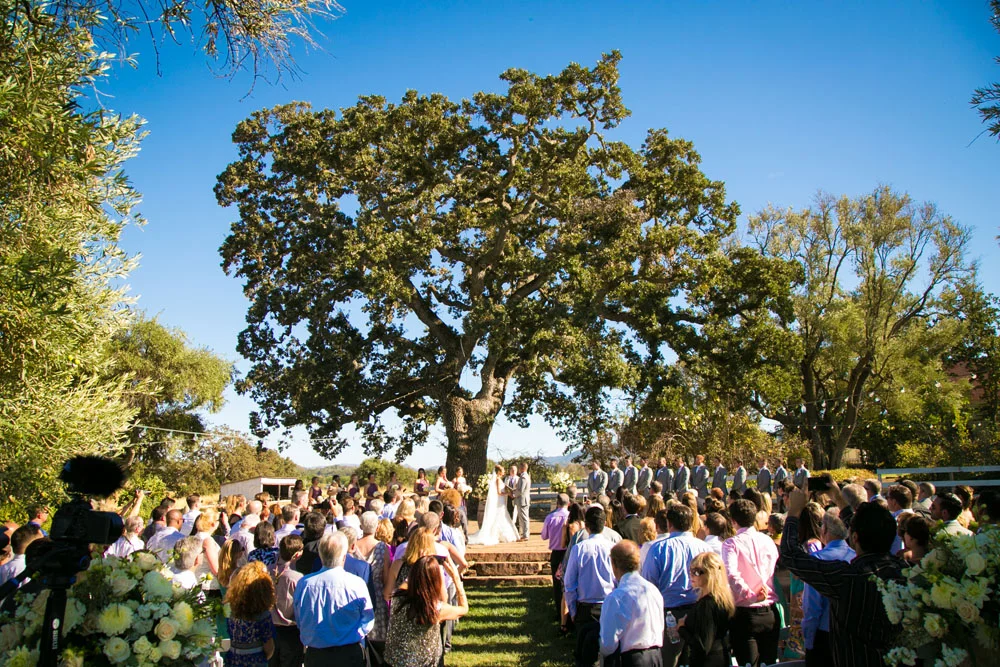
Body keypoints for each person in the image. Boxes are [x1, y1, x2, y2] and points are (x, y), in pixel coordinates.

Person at [781, 485, 904, 667]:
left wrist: (793, 513)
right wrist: (839, 498)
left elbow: (791, 556)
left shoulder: (846, 576)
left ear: (854, 538)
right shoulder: (904, 570)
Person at [640, 505, 712, 667]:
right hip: (698, 610)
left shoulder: (659, 549)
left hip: (670, 613)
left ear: (669, 523)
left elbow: (648, 585)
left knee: (669, 660)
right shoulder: (704, 547)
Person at [294, 532, 374, 666]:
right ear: (344, 557)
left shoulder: (305, 584)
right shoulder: (356, 584)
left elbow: (299, 618)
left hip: (320, 654)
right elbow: (368, 620)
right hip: (345, 652)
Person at [720, 499, 779, 667]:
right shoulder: (768, 541)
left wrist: (751, 595)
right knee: (769, 663)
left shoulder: (731, 543)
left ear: (733, 521)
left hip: (746, 612)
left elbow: (731, 574)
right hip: (769, 611)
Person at [384, 555, 469, 667]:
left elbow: (406, 584)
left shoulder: (397, 598)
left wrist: (419, 568)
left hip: (393, 662)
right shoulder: (436, 608)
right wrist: (456, 578)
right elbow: (464, 609)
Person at [564, 506, 616, 667]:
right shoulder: (612, 547)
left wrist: (572, 609)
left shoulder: (580, 548)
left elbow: (569, 582)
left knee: (587, 654)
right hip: (608, 604)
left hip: (587, 607)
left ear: (586, 526)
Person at [801, 512, 854, 667]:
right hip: (850, 634)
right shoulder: (855, 556)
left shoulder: (818, 559)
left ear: (825, 531)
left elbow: (812, 607)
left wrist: (809, 641)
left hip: (824, 636)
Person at [599, 540, 664, 667]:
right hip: (656, 656)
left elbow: (608, 644)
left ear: (614, 565)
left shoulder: (617, 597)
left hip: (633, 660)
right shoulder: (653, 590)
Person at [677, 552, 734, 667]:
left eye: (697, 572)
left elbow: (702, 646)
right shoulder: (722, 598)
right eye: (690, 571)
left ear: (710, 574)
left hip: (708, 661)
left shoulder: (707, 604)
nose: (691, 575)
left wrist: (682, 629)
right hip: (721, 657)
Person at [223, 560, 276, 666]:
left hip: (233, 660)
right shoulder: (263, 616)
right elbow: (269, 647)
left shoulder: (231, 611)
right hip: (256, 660)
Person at [272, 535, 305, 667]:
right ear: (297, 554)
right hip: (290, 630)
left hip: (271, 628)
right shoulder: (296, 578)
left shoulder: (269, 570)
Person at [468, 464, 519, 546]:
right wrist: (507, 493)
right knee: (501, 516)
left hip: (501, 501)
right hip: (500, 500)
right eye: (502, 471)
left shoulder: (499, 479)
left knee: (502, 516)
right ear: (499, 472)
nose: (504, 472)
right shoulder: (498, 480)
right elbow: (499, 492)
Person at [542, 493, 570, 618]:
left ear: (557, 503)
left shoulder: (550, 517)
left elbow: (544, 536)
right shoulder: (570, 517)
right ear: (568, 504)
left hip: (556, 553)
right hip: (568, 552)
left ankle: (559, 611)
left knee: (557, 583)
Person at [513, 461, 532, 541]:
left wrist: (514, 494)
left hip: (522, 500)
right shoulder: (525, 476)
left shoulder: (524, 477)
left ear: (523, 468)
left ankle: (525, 534)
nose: (519, 469)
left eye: (520, 468)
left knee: (524, 518)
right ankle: (524, 534)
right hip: (523, 500)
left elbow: (521, 490)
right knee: (522, 518)